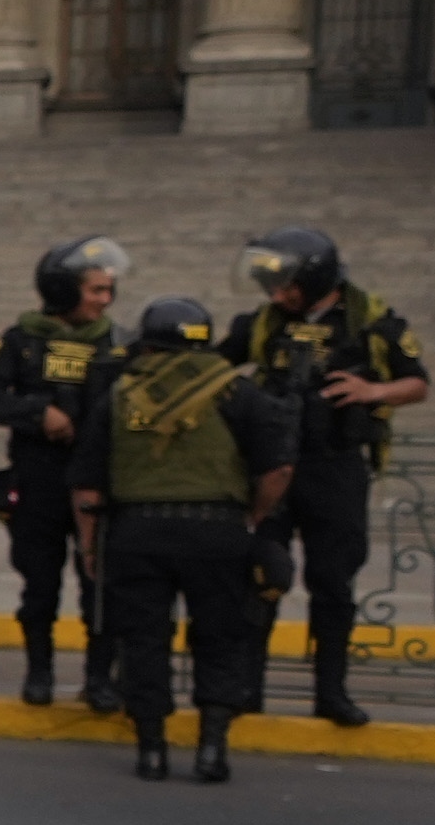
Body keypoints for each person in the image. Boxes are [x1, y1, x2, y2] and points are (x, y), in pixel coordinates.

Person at [74, 295, 301, 784]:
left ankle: (151, 750)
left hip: (137, 532)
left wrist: (90, 548)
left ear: (148, 344)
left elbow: (88, 489)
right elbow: (278, 467)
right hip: (216, 532)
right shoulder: (236, 392)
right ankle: (211, 749)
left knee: (143, 641)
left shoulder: (119, 395)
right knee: (220, 638)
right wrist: (253, 518)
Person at [226, 226, 428, 729]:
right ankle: (247, 688)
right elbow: (214, 362)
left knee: (333, 583)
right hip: (273, 466)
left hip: (335, 466)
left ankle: (331, 692)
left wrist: (372, 392)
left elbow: (418, 383)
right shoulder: (264, 323)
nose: (278, 295)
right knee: (261, 576)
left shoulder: (371, 321)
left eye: (287, 284)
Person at [0, 236, 128, 709]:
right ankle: (39, 673)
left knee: (100, 584)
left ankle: (99, 679)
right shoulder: (22, 341)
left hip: (98, 479)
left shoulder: (118, 344)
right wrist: (40, 413)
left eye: (108, 291)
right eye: (94, 290)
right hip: (38, 477)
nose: (104, 300)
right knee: (39, 583)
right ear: (62, 291)